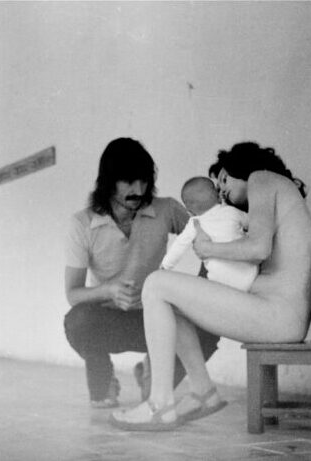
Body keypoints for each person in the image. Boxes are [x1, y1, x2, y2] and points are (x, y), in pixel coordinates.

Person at [110, 141, 311, 430]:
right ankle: (203, 392)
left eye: (223, 179)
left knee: (156, 284)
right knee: (171, 302)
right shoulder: (278, 190)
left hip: (278, 315)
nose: (221, 190)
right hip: (278, 314)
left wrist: (209, 249)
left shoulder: (261, 178)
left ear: (243, 168)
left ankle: (160, 404)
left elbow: (258, 248)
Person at [64, 137, 221, 408]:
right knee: (77, 321)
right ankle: (104, 381)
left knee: (210, 329)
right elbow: (73, 294)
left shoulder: (165, 209)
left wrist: (200, 288)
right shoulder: (82, 223)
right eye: (128, 181)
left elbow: (208, 237)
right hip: (108, 320)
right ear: (108, 181)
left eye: (144, 181)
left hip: (157, 319)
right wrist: (109, 290)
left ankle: (152, 376)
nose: (138, 190)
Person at [161, 176, 258, 292]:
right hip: (250, 277)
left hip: (220, 283)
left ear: (189, 210)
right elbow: (254, 223)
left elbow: (178, 246)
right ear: (217, 195)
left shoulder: (194, 223)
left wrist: (165, 266)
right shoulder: (231, 212)